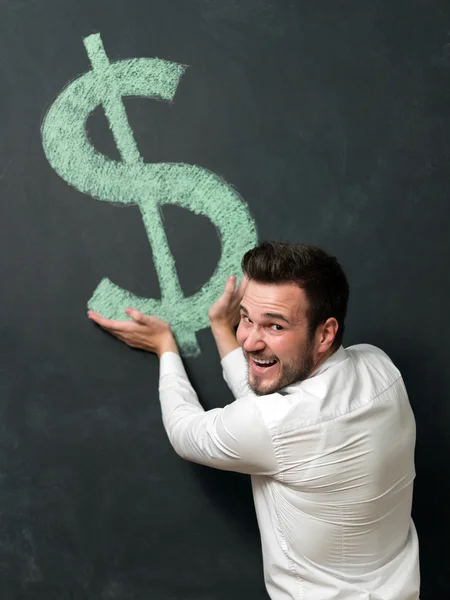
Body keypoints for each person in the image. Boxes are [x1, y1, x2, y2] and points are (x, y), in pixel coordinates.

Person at [88, 241, 420, 599]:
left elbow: (188, 432)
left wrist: (165, 347)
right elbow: (274, 413)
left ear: (325, 333)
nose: (247, 342)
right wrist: (222, 327)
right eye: (246, 318)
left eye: (275, 326)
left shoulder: (277, 424)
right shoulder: (379, 367)